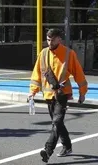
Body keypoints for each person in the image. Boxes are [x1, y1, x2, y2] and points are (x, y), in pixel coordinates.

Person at [29, 28, 88, 163]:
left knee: (56, 121)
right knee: (58, 123)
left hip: (62, 94)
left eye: (52, 40)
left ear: (59, 39)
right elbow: (36, 75)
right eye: (48, 40)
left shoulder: (68, 53)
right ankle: (67, 146)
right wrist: (32, 92)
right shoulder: (43, 54)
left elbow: (79, 74)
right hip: (48, 95)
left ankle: (47, 150)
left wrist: (82, 92)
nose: (49, 42)